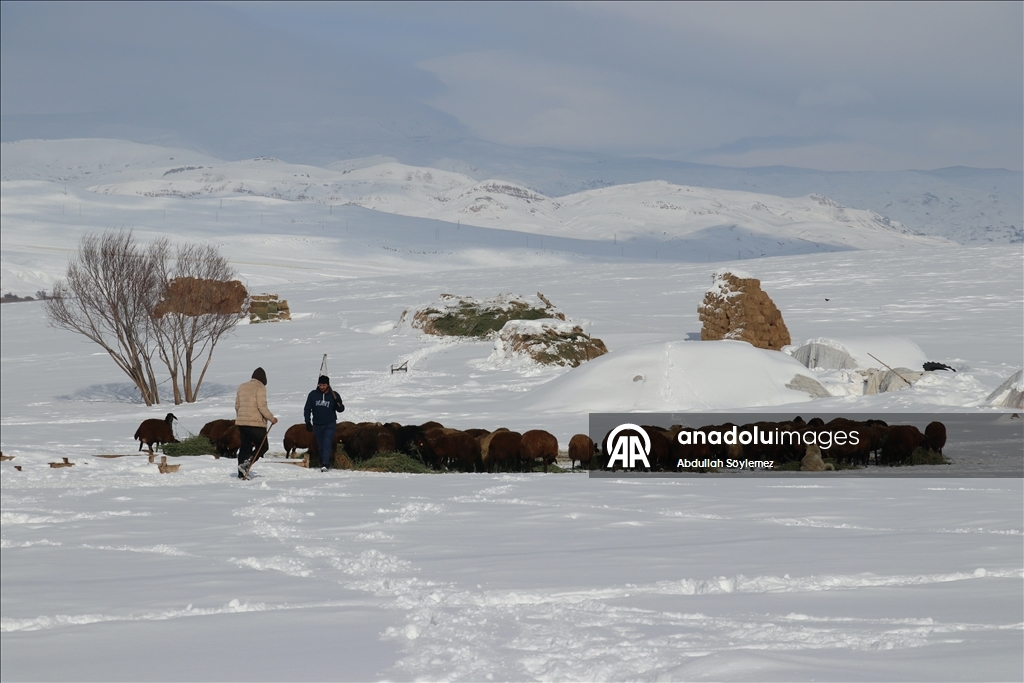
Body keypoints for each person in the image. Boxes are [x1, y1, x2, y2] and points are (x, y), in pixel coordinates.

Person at [235, 367, 278, 479]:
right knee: (263, 446)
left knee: (245, 447)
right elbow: (261, 406)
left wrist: (240, 418)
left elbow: (237, 405)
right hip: (255, 423)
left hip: (242, 423)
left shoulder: (242, 387)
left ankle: (241, 474)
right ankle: (247, 464)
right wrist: (271, 418)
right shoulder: (260, 387)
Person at [304, 374, 345, 472]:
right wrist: (307, 422)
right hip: (317, 425)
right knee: (321, 445)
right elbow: (307, 409)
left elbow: (341, 409)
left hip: (330, 424)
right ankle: (323, 460)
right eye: (320, 385)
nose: (322, 387)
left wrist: (339, 403)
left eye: (324, 385)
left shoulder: (334, 395)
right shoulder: (313, 395)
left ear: (328, 385)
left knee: (327, 443)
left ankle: (325, 464)